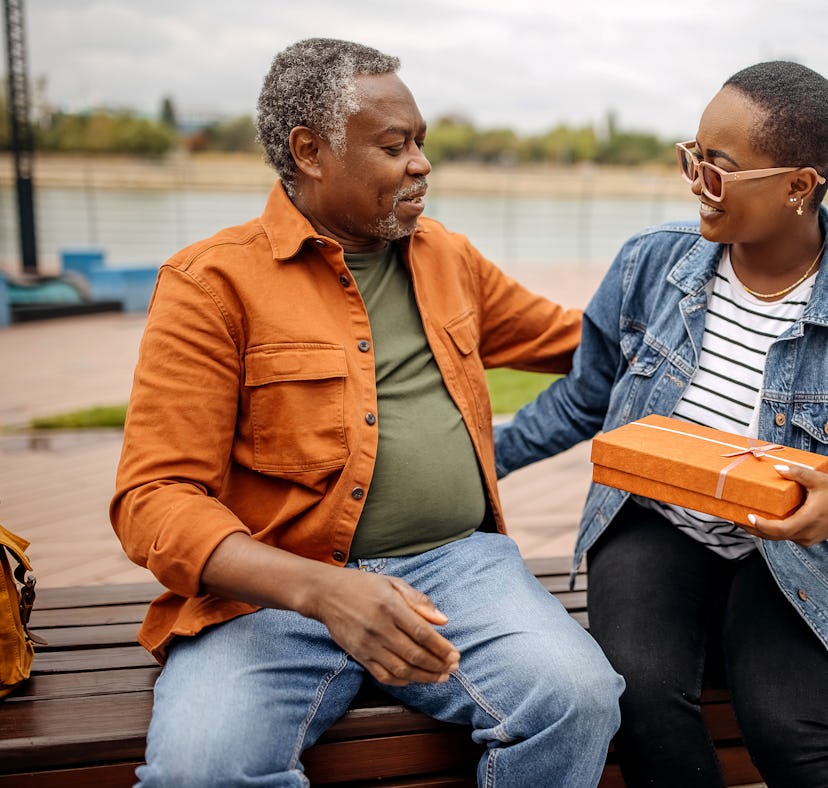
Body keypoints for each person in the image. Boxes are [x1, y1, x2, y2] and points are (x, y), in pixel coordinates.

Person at [110, 38, 623, 787]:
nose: (421, 164)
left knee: (574, 699)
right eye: (394, 146)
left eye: (420, 143)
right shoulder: (210, 283)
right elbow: (153, 501)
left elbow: (580, 340)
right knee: (201, 770)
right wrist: (325, 591)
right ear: (311, 152)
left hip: (459, 568)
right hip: (272, 593)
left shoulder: (448, 256)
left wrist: (709, 289)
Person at [495, 60, 828, 788]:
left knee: (787, 723)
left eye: (720, 170)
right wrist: (480, 460)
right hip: (657, 522)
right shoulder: (652, 262)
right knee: (640, 696)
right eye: (692, 159)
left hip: (790, 552)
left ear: (799, 186)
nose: (695, 183)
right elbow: (585, 400)